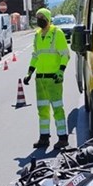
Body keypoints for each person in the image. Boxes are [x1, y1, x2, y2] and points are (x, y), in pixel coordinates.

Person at [23, 8, 70, 149]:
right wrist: (29, 73)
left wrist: (61, 72)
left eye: (42, 17)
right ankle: (44, 138)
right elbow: (36, 56)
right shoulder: (37, 35)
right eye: (37, 17)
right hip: (40, 79)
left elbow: (65, 55)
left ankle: (63, 138)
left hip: (53, 79)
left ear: (48, 18)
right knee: (42, 109)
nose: (39, 19)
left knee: (57, 108)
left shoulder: (57, 33)